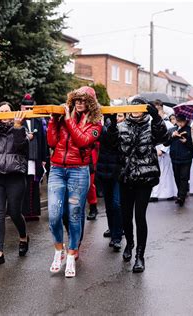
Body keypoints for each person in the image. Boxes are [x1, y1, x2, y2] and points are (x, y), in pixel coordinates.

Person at [47, 86, 102, 277]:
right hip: (57, 169)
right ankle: (58, 249)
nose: (79, 103)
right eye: (76, 100)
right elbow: (52, 142)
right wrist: (55, 121)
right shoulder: (64, 118)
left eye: (83, 100)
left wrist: (69, 120)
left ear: (91, 103)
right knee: (54, 214)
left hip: (78, 171)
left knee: (74, 214)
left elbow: (82, 141)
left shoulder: (95, 123)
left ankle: (71, 254)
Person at [110, 97, 169, 272]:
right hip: (126, 177)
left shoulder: (151, 125)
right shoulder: (122, 126)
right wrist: (112, 125)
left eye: (139, 107)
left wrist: (157, 118)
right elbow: (111, 145)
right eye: (132, 107)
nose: (135, 110)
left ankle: (140, 256)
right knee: (126, 216)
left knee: (140, 216)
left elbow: (164, 138)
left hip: (145, 176)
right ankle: (129, 243)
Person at [0, 101, 30, 266]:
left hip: (15, 177)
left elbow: (21, 147)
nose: (3, 114)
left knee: (14, 212)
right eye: (0, 111)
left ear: (12, 113)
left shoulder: (20, 129)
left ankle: (23, 237)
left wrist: (17, 127)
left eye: (7, 111)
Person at [96, 114, 123, 251]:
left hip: (118, 171)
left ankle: (117, 236)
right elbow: (103, 138)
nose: (117, 118)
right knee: (108, 204)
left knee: (117, 204)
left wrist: (113, 125)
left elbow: (114, 140)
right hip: (104, 170)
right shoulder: (102, 126)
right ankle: (113, 231)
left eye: (119, 116)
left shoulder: (123, 128)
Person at [20, 94, 47, 221]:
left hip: (35, 158)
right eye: (27, 108)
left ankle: (34, 212)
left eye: (31, 108)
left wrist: (43, 159)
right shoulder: (18, 121)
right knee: (23, 185)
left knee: (34, 184)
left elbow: (43, 140)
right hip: (23, 159)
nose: (29, 111)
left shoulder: (38, 120)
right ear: (21, 108)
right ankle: (24, 212)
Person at [164, 114, 193, 206]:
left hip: (186, 157)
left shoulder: (190, 130)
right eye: (178, 121)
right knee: (177, 177)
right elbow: (165, 143)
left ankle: (181, 196)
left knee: (184, 177)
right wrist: (172, 136)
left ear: (186, 121)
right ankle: (179, 194)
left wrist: (186, 142)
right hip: (175, 157)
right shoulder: (172, 130)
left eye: (182, 121)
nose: (180, 123)